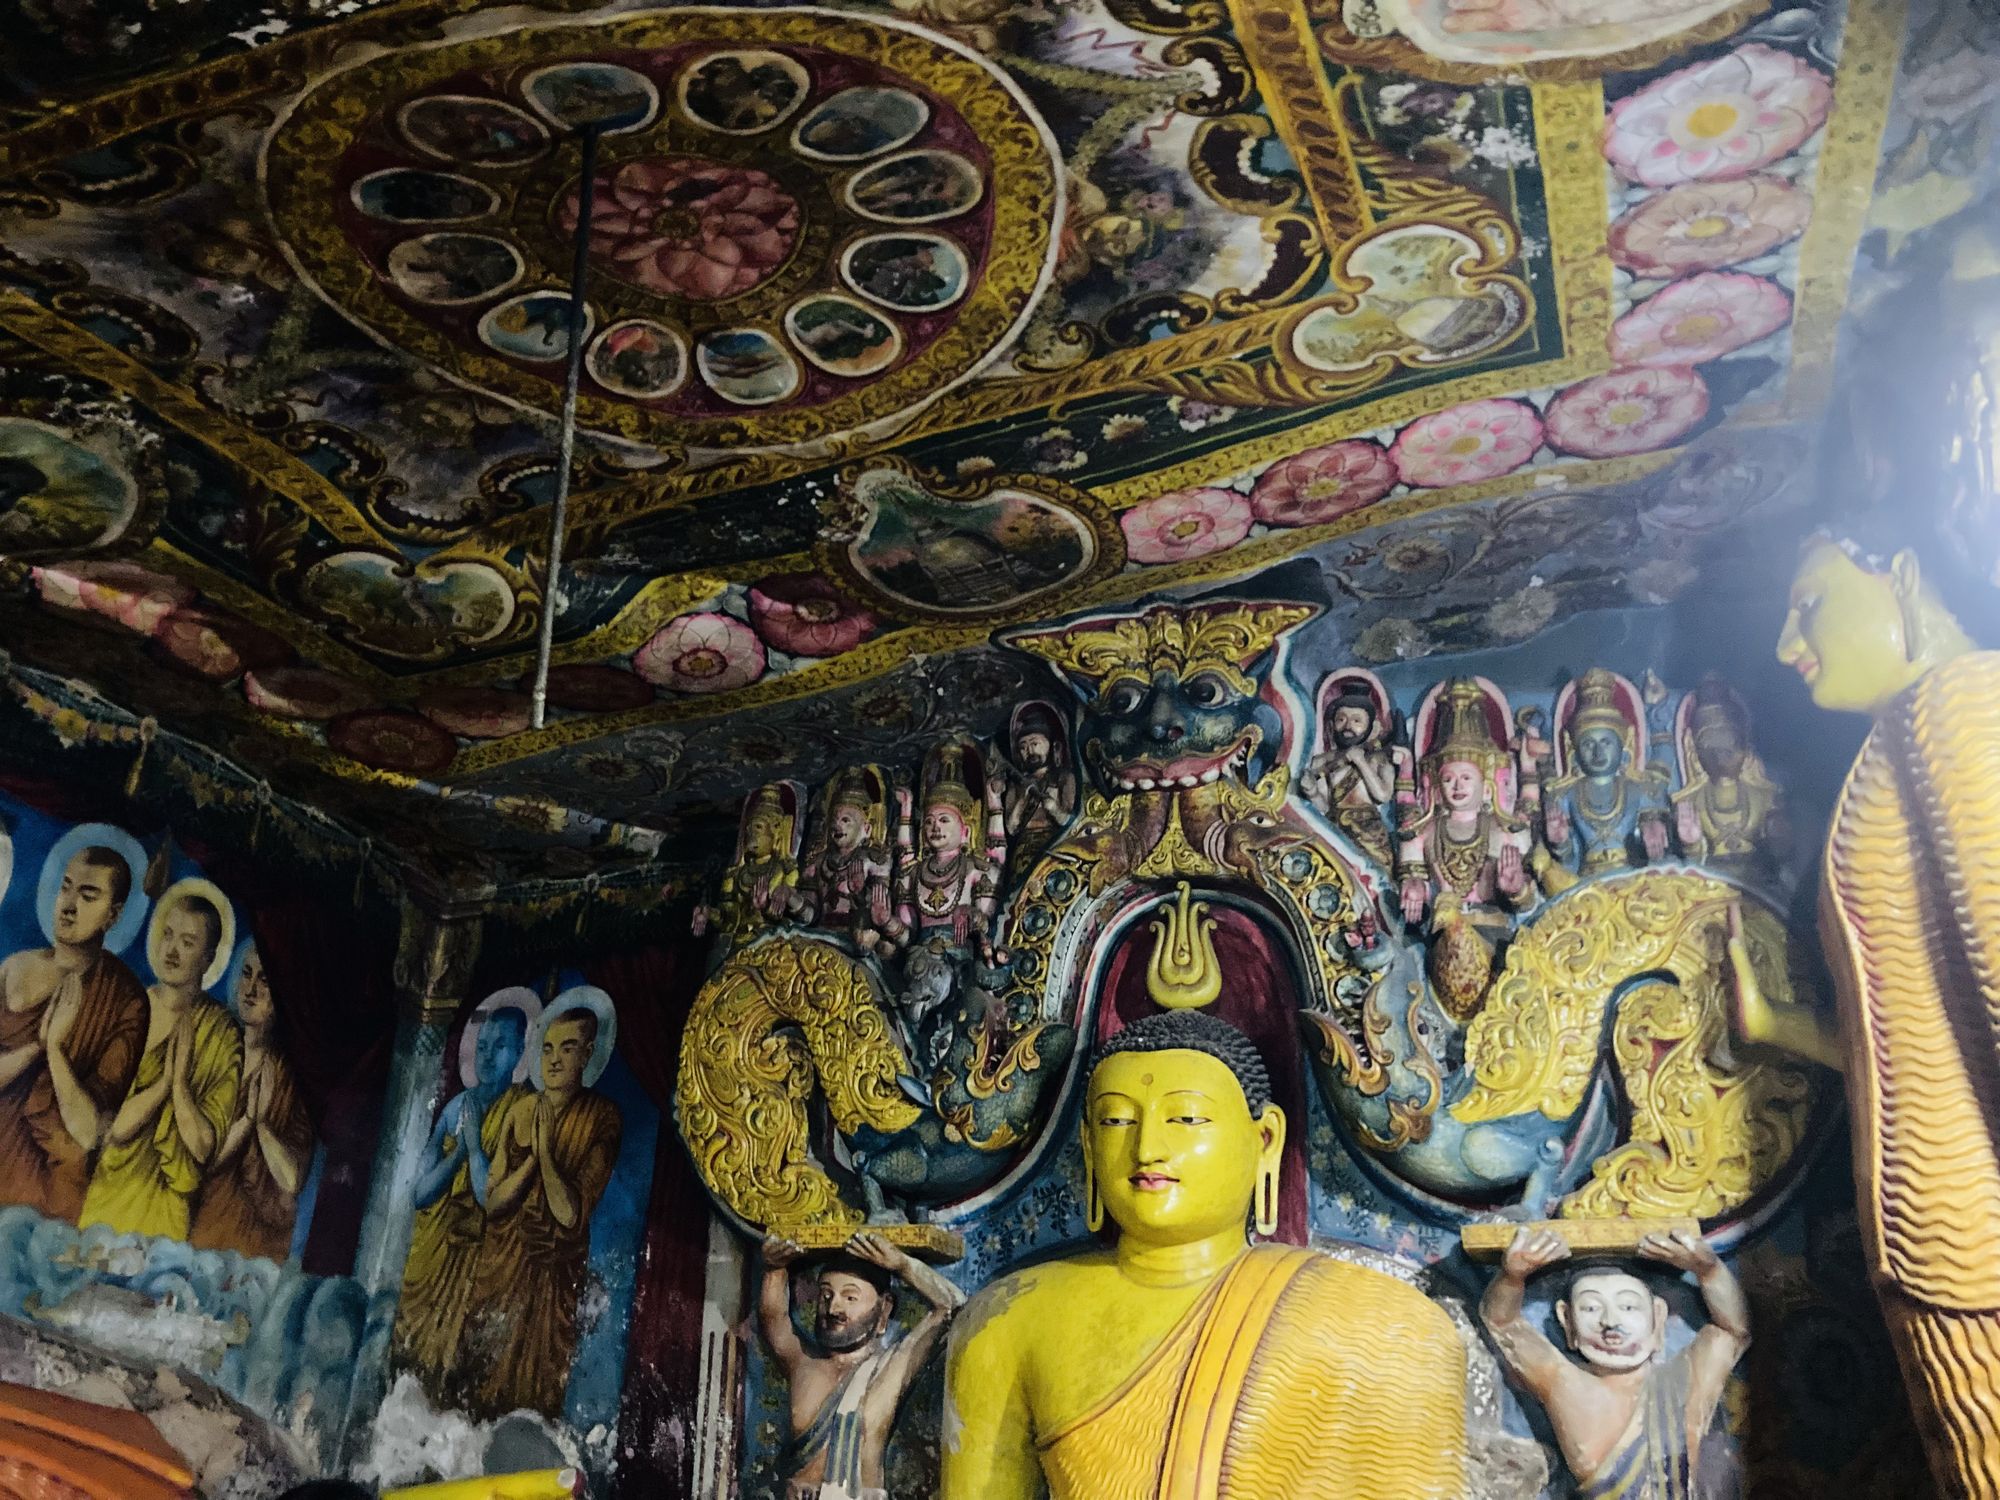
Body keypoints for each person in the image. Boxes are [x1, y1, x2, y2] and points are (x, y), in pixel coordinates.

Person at [1723, 533, 2000, 1496]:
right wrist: (1774, 1022)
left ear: (1904, 577)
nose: (1786, 644)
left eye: (1810, 605)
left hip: (1973, 1245)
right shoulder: (1907, 740)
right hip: (1947, 1249)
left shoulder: (1966, 711)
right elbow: (1922, 1046)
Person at [941, 1009, 1466, 1499]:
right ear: (1088, 1142)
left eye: (1186, 1118)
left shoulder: (1387, 1323)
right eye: (1116, 1121)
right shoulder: (1008, 1319)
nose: (1147, 1148)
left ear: (1265, 1139)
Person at [1480, 1226, 1750, 1499]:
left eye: (1628, 1307)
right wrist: (1512, 1278)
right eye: (1591, 1308)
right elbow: (1503, 1324)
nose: (1611, 1322)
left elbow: (1733, 1331)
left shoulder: (1684, 1382)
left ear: (1658, 1317)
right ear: (1567, 1321)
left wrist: (1710, 1271)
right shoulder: (1566, 1385)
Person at [459, 1006, 620, 1418]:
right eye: (547, 1049)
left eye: (567, 1048)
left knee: (534, 1393)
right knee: (477, 1380)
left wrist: (546, 1152)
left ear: (588, 1054)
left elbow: (570, 1215)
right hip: (502, 1264)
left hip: (552, 1278)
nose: (554, 1060)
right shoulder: (520, 1110)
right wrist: (530, 1161)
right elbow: (493, 1201)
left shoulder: (601, 1118)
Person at [79, 886, 242, 1241]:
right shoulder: (130, 1008)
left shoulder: (222, 1033)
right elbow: (109, 1129)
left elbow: (202, 1147)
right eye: (167, 935)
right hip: (109, 1188)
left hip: (167, 1205)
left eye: (187, 942)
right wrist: (165, 1083)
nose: (171, 950)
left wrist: (180, 1088)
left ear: (208, 958)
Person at [392, 1002, 531, 1399]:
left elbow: (491, 1198)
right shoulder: (456, 1108)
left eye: (500, 1046)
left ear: (520, 1053)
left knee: (459, 1371)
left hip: (481, 1261)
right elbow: (420, 1194)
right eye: (482, 1046)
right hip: (437, 1251)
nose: (487, 1056)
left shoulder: (522, 1112)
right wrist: (457, 1157)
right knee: (409, 1364)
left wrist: (472, 1146)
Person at [760, 1231, 963, 1500]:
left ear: (884, 1309)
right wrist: (774, 1269)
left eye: (850, 1298)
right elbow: (773, 1317)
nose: (834, 1308)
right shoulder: (803, 1362)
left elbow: (951, 1305)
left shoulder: (890, 1368)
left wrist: (903, 1265)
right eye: (826, 1295)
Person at [0, 844, 145, 1220]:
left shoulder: (125, 1000)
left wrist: (56, 1052)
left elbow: (89, 1132)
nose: (68, 905)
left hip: (48, 1191)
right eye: (65, 888)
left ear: (113, 915)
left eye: (87, 895)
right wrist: (36, 1046)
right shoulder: (14, 968)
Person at [190, 944, 311, 1260]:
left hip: (256, 1241)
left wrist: (261, 1126)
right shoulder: (215, 1051)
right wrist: (246, 1122)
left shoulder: (291, 1079)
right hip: (204, 1221)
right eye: (246, 974)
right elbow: (197, 1159)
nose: (251, 989)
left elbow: (291, 1180)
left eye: (265, 980)